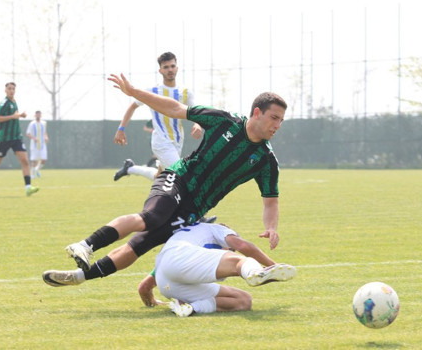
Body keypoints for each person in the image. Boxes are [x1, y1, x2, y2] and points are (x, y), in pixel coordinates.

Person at [42, 73, 287, 288]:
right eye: (274, 118)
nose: (277, 125)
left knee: (140, 245)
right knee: (151, 217)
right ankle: (85, 245)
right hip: (178, 178)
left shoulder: (266, 160)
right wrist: (135, 92)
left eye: (281, 121)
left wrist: (271, 227)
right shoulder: (224, 120)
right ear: (257, 112)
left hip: (195, 208)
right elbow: (174, 109)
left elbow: (270, 202)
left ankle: (79, 277)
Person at [136, 222, 296, 317]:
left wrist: (153, 303)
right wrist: (272, 265)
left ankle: (190, 308)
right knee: (241, 261)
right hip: (179, 263)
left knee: (243, 300)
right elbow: (243, 246)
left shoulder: (183, 246)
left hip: (168, 284)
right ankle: (254, 272)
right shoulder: (216, 229)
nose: (231, 250)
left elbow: (144, 288)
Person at [112, 52, 203, 182]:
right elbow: (133, 106)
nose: (170, 69)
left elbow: (196, 112)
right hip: (161, 142)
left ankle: (130, 168)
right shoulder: (152, 91)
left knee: (159, 177)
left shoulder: (185, 92)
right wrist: (121, 129)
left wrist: (197, 124)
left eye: (172, 66)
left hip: (177, 141)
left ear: (177, 68)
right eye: (166, 67)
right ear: (160, 70)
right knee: (181, 175)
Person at [26, 110, 49, 179]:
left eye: (39, 114)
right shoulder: (32, 124)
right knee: (34, 160)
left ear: (41, 115)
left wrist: (46, 137)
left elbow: (44, 132)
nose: (38, 116)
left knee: (44, 159)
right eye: (37, 114)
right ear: (35, 115)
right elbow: (28, 133)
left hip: (42, 145)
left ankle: (37, 169)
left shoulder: (44, 123)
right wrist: (34, 139)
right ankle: (32, 174)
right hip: (34, 145)